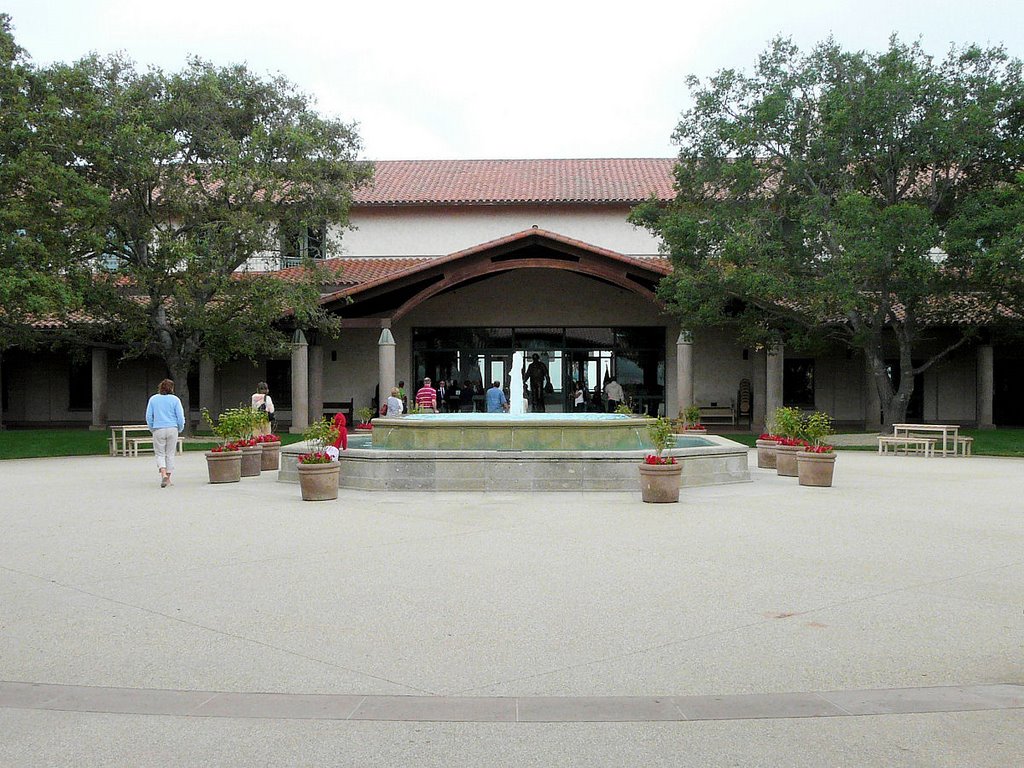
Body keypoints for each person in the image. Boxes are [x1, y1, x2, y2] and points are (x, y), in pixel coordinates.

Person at [145, 378, 185, 488]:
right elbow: (180, 417)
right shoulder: (175, 399)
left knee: (160, 453)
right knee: (170, 454)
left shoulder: (153, 399)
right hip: (172, 428)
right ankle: (168, 477)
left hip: (158, 428)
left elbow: (149, 416)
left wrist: (152, 427)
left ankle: (163, 473)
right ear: (172, 388)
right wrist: (180, 428)